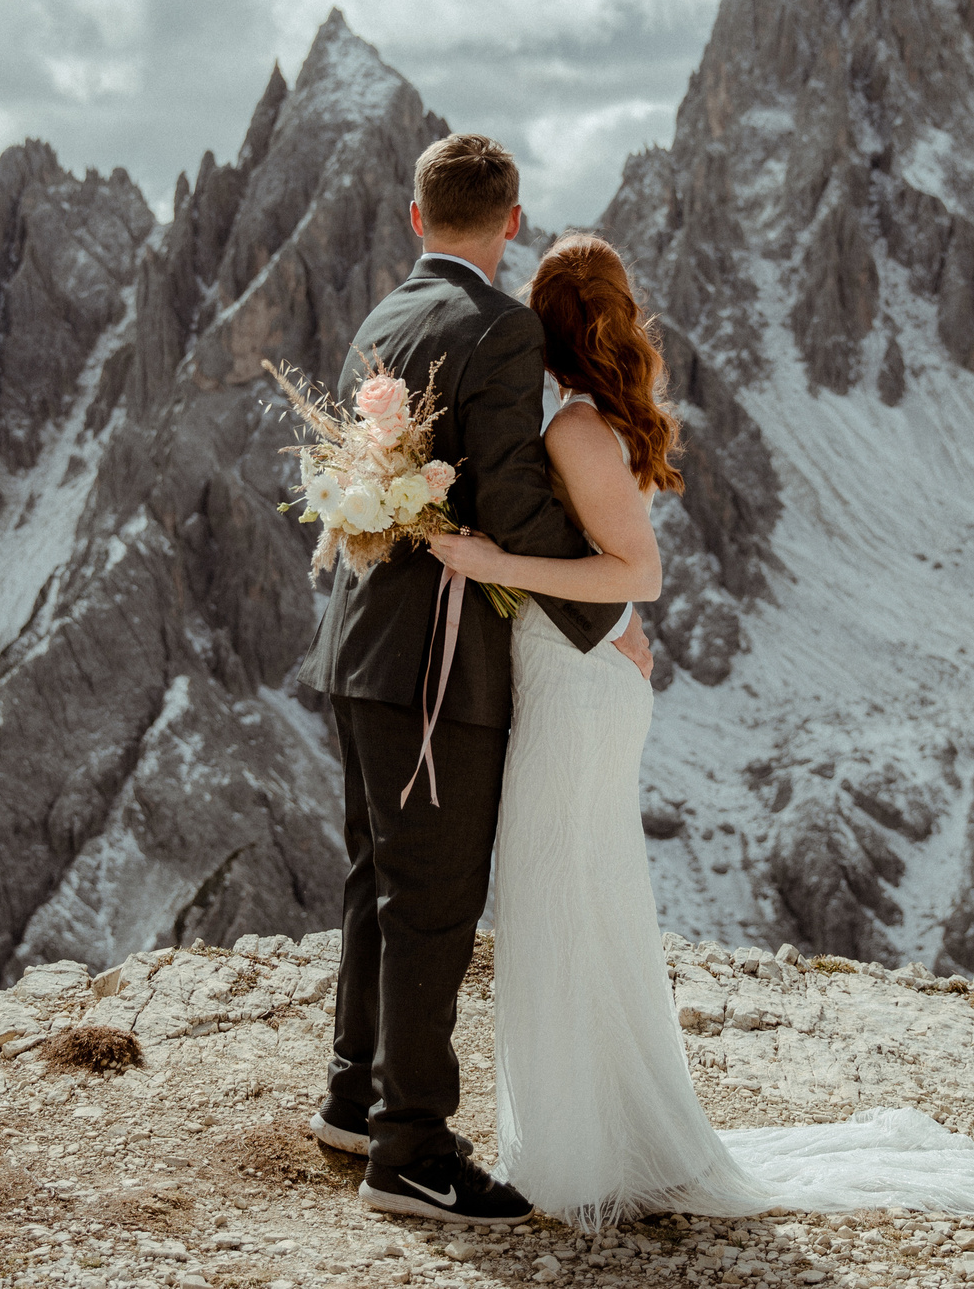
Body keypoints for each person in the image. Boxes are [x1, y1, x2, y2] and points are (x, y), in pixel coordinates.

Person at [429, 231, 974, 1230]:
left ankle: (586, 1152)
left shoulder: (576, 430)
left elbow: (639, 575)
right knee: (565, 902)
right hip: (572, 677)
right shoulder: (568, 418)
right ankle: (589, 1140)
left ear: (551, 317)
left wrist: (495, 566)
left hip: (579, 688)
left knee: (559, 902)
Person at [297, 132, 652, 1225]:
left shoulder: (380, 320)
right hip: (438, 665)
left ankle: (355, 1099)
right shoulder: (500, 331)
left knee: (376, 879)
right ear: (511, 221)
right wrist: (607, 610)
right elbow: (510, 497)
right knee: (435, 899)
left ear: (416, 218)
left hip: (359, 647)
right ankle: (409, 1150)